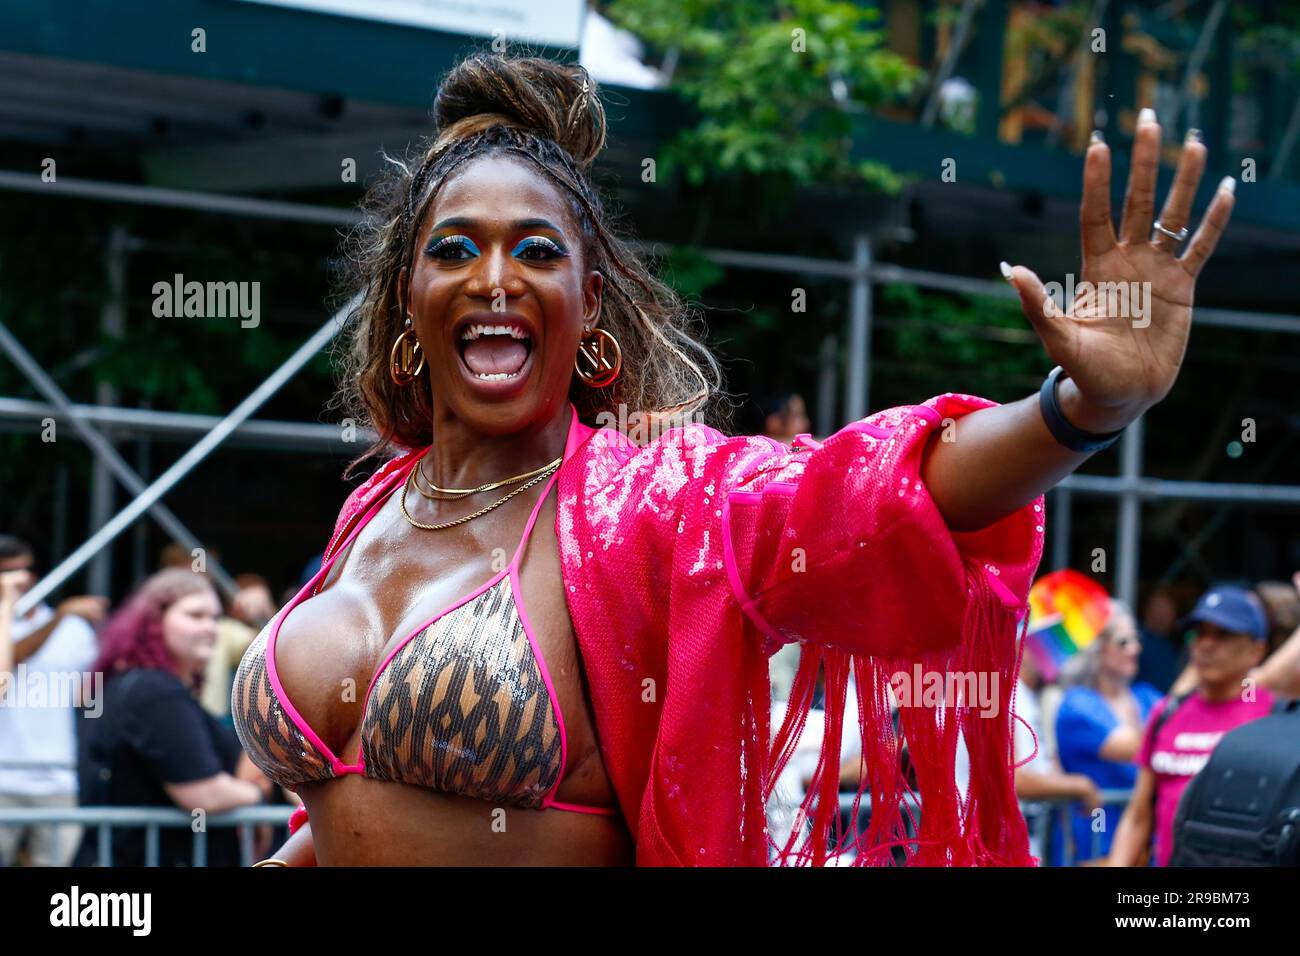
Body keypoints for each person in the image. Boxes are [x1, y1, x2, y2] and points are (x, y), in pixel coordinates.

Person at [233, 54, 1235, 867]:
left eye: (536, 250)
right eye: (453, 249)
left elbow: (867, 496)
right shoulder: (374, 506)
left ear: (590, 310)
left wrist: (1080, 407)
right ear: (407, 298)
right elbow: (349, 810)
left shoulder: (651, 505)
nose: (494, 277)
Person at [73, 569, 269, 867]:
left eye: (215, 618)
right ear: (154, 621)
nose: (210, 628)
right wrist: (257, 794)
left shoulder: (132, 683)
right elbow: (204, 794)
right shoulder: (154, 692)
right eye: (195, 615)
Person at [1109, 585, 1282, 867]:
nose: (1206, 644)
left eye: (1223, 634)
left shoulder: (1272, 717)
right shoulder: (1166, 711)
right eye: (1199, 632)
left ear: (1256, 650)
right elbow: (1139, 813)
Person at [0, 536, 106, 867]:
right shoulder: (57, 619)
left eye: (26, 569)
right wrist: (57, 614)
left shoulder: (74, 628)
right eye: (8, 572)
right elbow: (8, 665)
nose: (21, 579)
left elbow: (92, 699)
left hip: (60, 777)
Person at [1054, 599, 1160, 862]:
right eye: (1123, 641)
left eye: (1136, 639)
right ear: (1096, 647)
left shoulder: (1146, 696)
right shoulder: (1077, 704)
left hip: (1145, 845)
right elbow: (1135, 747)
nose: (1135, 648)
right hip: (1094, 846)